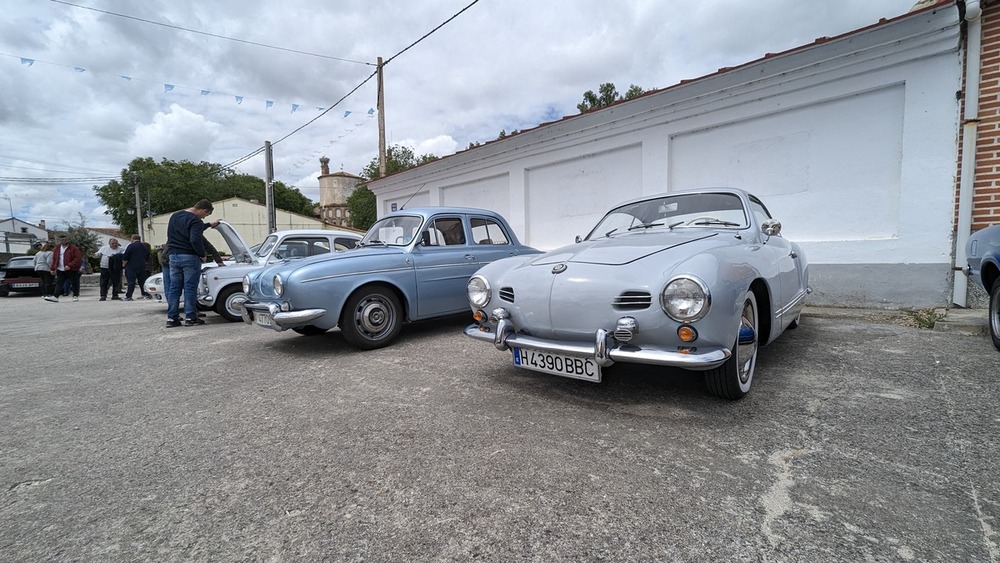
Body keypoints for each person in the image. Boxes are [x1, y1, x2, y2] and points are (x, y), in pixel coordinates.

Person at [165, 199, 214, 327]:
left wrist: (208, 224)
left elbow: (188, 229)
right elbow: (194, 238)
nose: (204, 217)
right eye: (206, 215)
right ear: (203, 210)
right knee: (190, 288)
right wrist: (202, 254)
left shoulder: (175, 216)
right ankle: (190, 317)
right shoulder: (196, 220)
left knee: (174, 288)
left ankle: (172, 318)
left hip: (173, 255)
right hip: (189, 257)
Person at [44, 234, 82, 302]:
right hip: (60, 269)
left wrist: (70, 265)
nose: (63, 241)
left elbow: (78, 258)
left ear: (68, 240)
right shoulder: (57, 249)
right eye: (62, 240)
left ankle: (75, 295)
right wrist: (53, 269)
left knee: (74, 282)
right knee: (59, 283)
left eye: (65, 239)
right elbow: (55, 259)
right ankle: (55, 296)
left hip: (71, 269)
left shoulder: (74, 248)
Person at [122, 234, 150, 301]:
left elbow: (125, 256)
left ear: (132, 238)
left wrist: (124, 264)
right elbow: (147, 256)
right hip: (142, 266)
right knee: (142, 281)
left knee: (131, 282)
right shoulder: (144, 246)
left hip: (131, 266)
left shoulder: (131, 246)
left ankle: (129, 296)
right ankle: (145, 294)